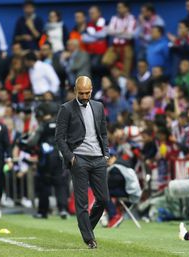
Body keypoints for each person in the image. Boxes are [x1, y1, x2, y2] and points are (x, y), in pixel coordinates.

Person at [55, 76, 110, 249]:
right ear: (75, 91)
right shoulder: (66, 109)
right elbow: (59, 137)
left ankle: (86, 228)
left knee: (103, 199)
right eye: (81, 93)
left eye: (87, 92)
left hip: (98, 158)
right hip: (79, 159)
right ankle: (89, 239)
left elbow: (103, 133)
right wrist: (71, 157)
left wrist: (106, 154)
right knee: (82, 203)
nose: (85, 96)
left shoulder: (99, 106)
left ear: (92, 90)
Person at [103, 1, 137, 77]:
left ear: (126, 8)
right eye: (118, 7)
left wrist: (115, 32)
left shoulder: (132, 19)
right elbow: (108, 32)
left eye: (121, 7)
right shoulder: (114, 18)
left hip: (127, 46)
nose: (118, 9)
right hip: (114, 46)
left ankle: (122, 79)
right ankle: (116, 71)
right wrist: (121, 32)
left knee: (126, 71)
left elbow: (130, 36)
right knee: (105, 61)